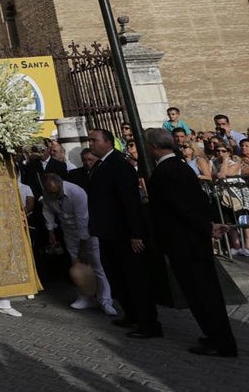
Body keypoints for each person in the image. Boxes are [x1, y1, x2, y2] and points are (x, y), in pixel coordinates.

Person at [143, 128, 238, 357]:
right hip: (193, 240)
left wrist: (206, 227)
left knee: (201, 294)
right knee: (204, 292)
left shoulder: (165, 171)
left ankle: (220, 341)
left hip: (184, 243)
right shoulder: (180, 166)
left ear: (154, 147)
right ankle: (215, 335)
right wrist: (209, 224)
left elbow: (180, 208)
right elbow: (198, 200)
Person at [85, 128, 161, 339]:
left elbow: (129, 201)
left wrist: (136, 233)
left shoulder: (119, 165)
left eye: (94, 140)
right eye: (89, 140)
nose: (90, 144)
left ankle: (148, 322)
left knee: (135, 278)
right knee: (117, 276)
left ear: (108, 142)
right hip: (107, 232)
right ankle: (132, 314)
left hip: (124, 232)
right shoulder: (100, 165)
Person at [40, 173, 115, 316]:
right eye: (50, 192)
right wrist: (51, 230)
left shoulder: (77, 193)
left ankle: (105, 300)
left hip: (87, 231)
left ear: (60, 184)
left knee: (96, 265)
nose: (53, 194)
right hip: (68, 231)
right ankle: (85, 296)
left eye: (55, 192)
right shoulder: (48, 193)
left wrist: (83, 248)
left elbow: (83, 222)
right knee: (77, 265)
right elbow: (47, 209)